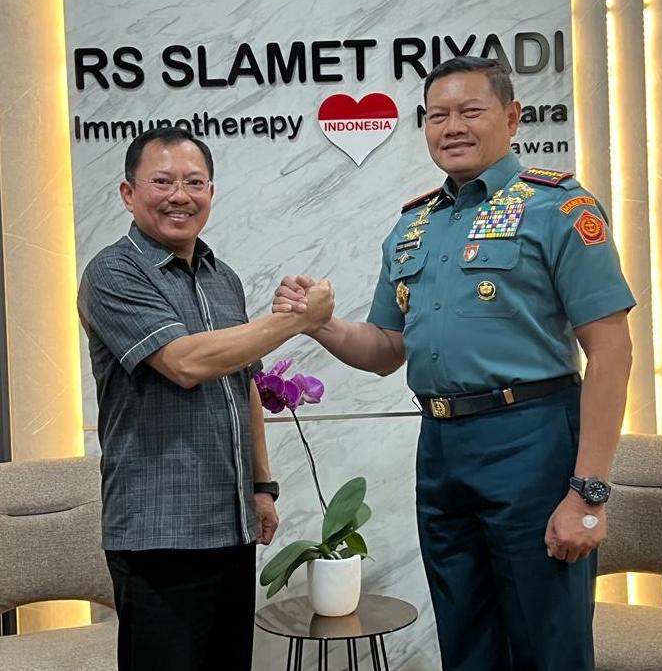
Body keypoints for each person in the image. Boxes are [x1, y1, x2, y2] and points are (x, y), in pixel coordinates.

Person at [274, 57, 634, 671]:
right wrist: (320, 323)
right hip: (440, 447)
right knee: (464, 638)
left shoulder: (559, 209)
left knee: (547, 641)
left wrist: (588, 494)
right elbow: (385, 349)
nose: (453, 127)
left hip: (532, 440)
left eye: (471, 111)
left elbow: (611, 353)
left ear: (512, 118)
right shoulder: (413, 225)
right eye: (438, 115)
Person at [77, 126, 334, 671]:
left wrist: (262, 488)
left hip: (230, 525)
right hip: (159, 533)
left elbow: (245, 385)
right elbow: (185, 363)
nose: (180, 196)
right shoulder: (112, 272)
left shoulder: (224, 279)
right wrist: (295, 322)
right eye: (162, 181)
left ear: (211, 192)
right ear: (128, 193)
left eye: (195, 183)